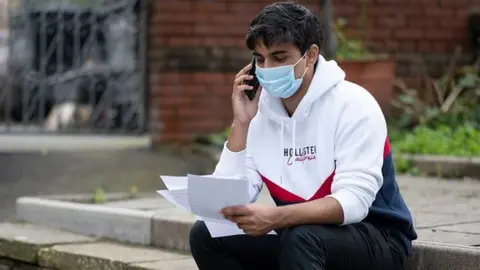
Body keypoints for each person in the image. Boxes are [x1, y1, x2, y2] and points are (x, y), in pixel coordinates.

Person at [189, 2, 417, 270]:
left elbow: (354, 204)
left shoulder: (354, 104)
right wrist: (241, 123)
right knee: (206, 234)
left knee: (301, 238)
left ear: (310, 55)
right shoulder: (259, 114)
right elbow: (227, 201)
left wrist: (275, 217)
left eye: (280, 57)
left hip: (376, 238)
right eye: (260, 59)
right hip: (300, 236)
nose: (268, 68)